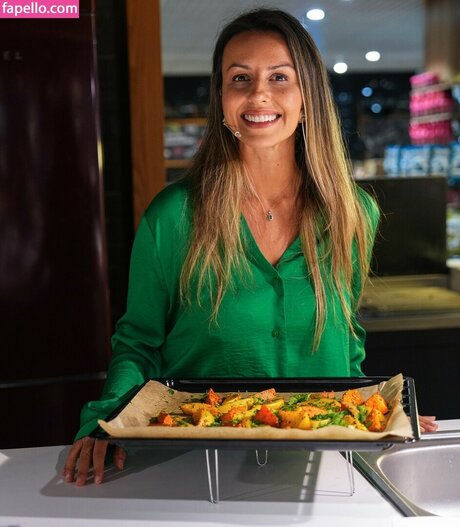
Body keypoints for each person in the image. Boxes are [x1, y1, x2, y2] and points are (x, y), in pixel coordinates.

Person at [64, 8, 437, 486]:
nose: (259, 94)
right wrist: (107, 419)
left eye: (280, 77)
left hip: (320, 466)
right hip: (193, 464)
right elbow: (138, 343)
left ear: (308, 98)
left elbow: (346, 339)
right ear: (221, 100)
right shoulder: (172, 217)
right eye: (240, 78)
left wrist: (376, 413)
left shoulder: (352, 213)